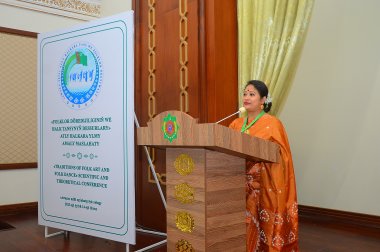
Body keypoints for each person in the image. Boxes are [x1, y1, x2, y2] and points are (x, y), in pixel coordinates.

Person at [229, 80, 299, 251]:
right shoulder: (236, 124)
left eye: (252, 94)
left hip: (263, 185)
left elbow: (283, 156)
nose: (246, 97)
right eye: (245, 93)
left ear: (263, 100)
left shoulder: (273, 123)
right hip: (237, 183)